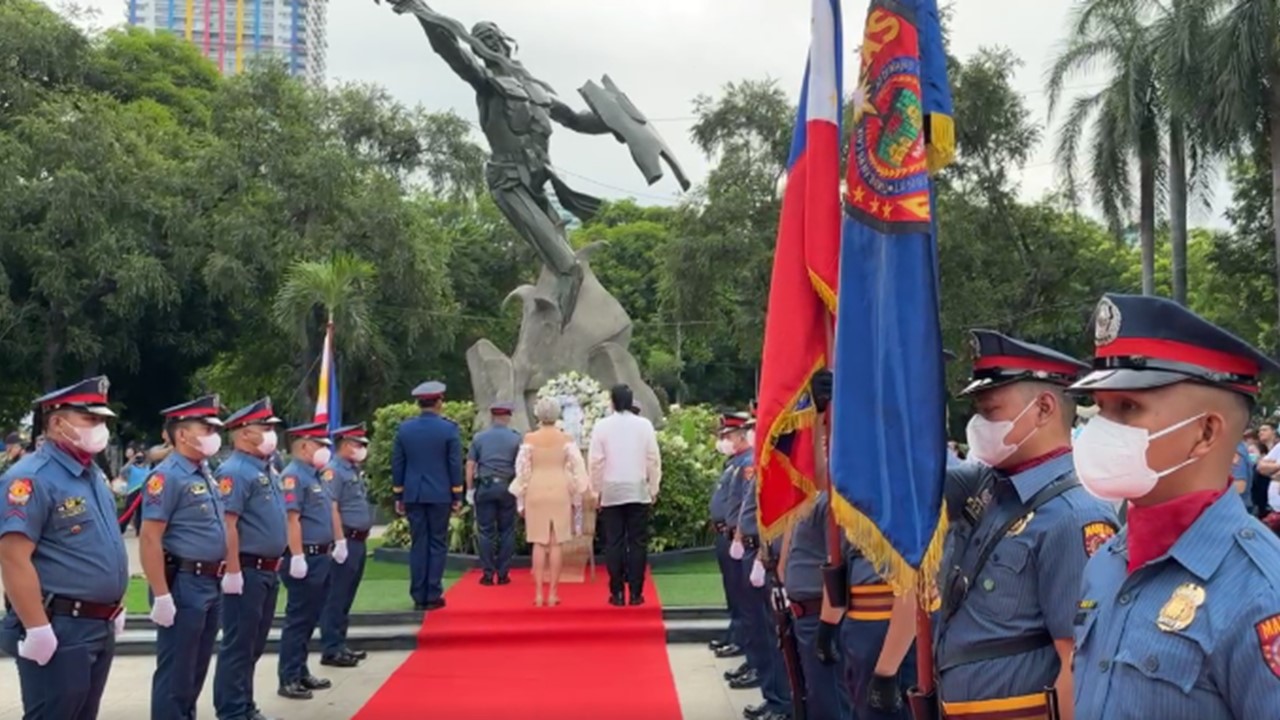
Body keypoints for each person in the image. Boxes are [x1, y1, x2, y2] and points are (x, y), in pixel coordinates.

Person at [1069, 293, 1280, 719]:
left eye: (1128, 408)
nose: (1102, 430)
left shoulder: (1260, 591)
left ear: (1205, 432)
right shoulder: (1108, 560)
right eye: (1102, 410)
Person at [935, 330, 1119, 720]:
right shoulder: (988, 483)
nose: (978, 425)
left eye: (990, 412)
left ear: (1044, 408)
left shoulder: (1075, 515)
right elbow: (904, 478)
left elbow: (1079, 663)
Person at [0, 376, 127, 719]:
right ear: (57, 422)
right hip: (60, 625)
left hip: (97, 623)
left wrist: (114, 602)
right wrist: (38, 627)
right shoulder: (30, 478)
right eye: (90, 419)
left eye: (102, 420)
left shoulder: (92, 476)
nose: (100, 428)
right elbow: (13, 558)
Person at [140, 395, 229, 720]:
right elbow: (150, 537)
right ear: (182, 434)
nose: (212, 434)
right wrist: (161, 594)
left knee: (196, 668)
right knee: (177, 671)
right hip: (184, 582)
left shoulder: (203, 472)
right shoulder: (167, 476)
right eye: (205, 428)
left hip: (210, 581)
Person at [212, 397, 287, 720]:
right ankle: (231, 710)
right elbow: (228, 524)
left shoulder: (266, 468)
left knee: (253, 644)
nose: (271, 433)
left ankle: (244, 704)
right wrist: (232, 570)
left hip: (268, 570)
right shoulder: (234, 471)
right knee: (239, 644)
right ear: (243, 433)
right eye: (265, 427)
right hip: (247, 569)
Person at [277, 421, 345, 700]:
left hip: (321, 555)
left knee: (310, 618)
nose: (326, 451)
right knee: (298, 619)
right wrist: (297, 556)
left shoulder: (315, 476)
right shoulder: (293, 476)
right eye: (321, 445)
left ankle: (301, 670)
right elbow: (292, 519)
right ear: (304, 446)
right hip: (306, 556)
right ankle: (289, 676)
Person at [730, 414, 793, 720]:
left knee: (773, 636)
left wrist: (762, 558)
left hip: (766, 556)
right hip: (756, 553)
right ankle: (773, 695)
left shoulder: (779, 471)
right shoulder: (762, 467)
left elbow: (777, 519)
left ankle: (782, 701)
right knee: (761, 631)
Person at [508, 397, 590, 606]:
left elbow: (522, 469)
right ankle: (553, 594)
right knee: (556, 543)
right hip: (560, 490)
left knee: (538, 541)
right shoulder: (566, 439)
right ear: (557, 415)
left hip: (536, 489)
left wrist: (521, 497)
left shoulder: (529, 439)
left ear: (538, 414)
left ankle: (537, 594)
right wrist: (580, 491)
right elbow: (578, 466)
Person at [588, 384, 661, 606]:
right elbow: (653, 459)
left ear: (611, 401)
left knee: (614, 542)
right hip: (637, 488)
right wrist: (653, 486)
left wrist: (596, 490)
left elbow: (595, 462)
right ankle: (637, 592)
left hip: (611, 489)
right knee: (637, 542)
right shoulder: (644, 425)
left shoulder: (602, 426)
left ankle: (617, 592)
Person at [393, 380, 463, 611]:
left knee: (418, 543)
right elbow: (454, 465)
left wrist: (398, 494)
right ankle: (433, 592)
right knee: (437, 543)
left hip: (413, 494)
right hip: (440, 494)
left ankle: (418, 594)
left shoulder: (405, 429)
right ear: (439, 402)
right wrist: (457, 494)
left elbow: (398, 464)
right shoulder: (449, 429)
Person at [319, 423, 373, 668]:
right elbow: (331, 507)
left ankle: (341, 643)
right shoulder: (333, 471)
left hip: (358, 540)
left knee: (347, 594)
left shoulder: (351, 469)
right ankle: (331, 647)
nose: (362, 449)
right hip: (346, 540)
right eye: (358, 444)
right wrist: (339, 540)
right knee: (336, 595)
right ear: (344, 444)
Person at [708, 413, 750, 661]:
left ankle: (742, 639)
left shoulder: (746, 464)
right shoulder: (734, 463)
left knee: (741, 593)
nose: (724, 440)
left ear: (742, 436)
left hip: (736, 536)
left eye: (728, 436)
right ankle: (735, 633)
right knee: (732, 591)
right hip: (724, 533)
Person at [467, 402, 522, 586]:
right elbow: (521, 467)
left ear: (492, 417)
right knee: (507, 531)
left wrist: (469, 489)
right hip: (507, 487)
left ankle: (488, 574)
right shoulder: (516, 438)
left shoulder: (479, 438)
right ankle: (504, 573)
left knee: (485, 531)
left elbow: (470, 465)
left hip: (485, 486)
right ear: (507, 417)